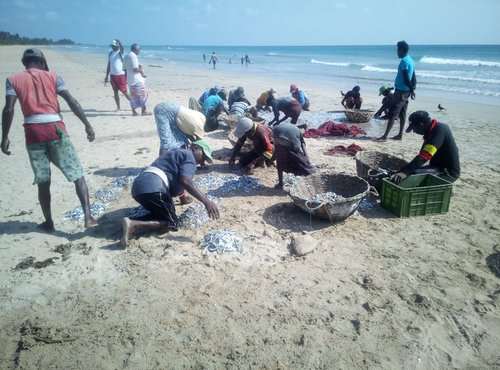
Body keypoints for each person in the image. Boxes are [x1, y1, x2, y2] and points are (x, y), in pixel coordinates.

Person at [1, 48, 97, 232]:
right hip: (55, 129)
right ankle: (88, 217)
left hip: (33, 132)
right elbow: (72, 101)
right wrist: (87, 124)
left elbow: (9, 109)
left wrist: (4, 136)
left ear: (25, 63)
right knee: (77, 175)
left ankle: (49, 222)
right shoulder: (53, 76)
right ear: (42, 61)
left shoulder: (13, 80)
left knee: (43, 180)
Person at [121, 142, 219, 247]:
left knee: (162, 214)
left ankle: (129, 222)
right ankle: (134, 224)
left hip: (139, 188)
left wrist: (183, 200)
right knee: (172, 222)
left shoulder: (176, 152)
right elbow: (185, 180)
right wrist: (207, 202)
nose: (201, 161)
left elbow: (176, 183)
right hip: (154, 188)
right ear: (196, 148)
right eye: (203, 156)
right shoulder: (190, 157)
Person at [390, 111, 460, 184]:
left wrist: (405, 172)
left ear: (421, 125)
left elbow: (425, 156)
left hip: (448, 172)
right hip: (436, 167)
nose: (414, 131)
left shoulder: (439, 130)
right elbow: (421, 155)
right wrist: (401, 170)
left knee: (411, 176)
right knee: (410, 172)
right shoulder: (430, 131)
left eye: (414, 128)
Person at [376, 40, 416, 141]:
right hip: (406, 92)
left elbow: (407, 79)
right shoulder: (410, 60)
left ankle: (385, 136)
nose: (397, 52)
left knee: (393, 113)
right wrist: (412, 89)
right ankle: (400, 135)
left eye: (398, 50)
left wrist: (412, 89)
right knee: (402, 113)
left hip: (401, 91)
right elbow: (413, 77)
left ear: (402, 50)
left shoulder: (404, 62)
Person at [273, 122, 315, 189]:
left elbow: (275, 144)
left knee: (280, 161)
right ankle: (313, 178)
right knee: (302, 163)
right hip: (289, 142)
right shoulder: (297, 130)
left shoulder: (282, 128)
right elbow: (303, 144)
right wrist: (306, 157)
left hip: (277, 136)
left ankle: (280, 184)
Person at [123, 43, 151, 116]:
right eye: (139, 50)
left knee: (133, 96)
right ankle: (144, 111)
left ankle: (134, 112)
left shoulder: (126, 56)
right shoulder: (133, 56)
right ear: (136, 49)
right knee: (143, 95)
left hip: (130, 79)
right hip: (136, 80)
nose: (139, 51)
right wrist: (141, 70)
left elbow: (124, 69)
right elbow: (135, 69)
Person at [104, 39, 130, 111]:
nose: (112, 47)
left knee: (124, 92)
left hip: (121, 75)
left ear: (117, 46)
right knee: (115, 92)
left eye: (114, 46)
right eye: (112, 46)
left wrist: (118, 40)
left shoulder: (121, 53)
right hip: (112, 75)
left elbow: (122, 47)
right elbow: (109, 65)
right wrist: (106, 76)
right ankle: (118, 107)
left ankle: (134, 105)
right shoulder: (110, 53)